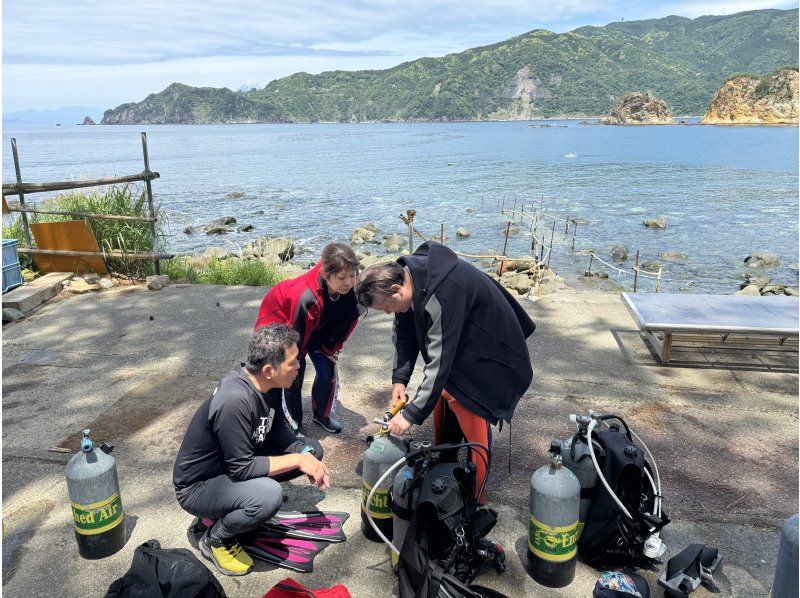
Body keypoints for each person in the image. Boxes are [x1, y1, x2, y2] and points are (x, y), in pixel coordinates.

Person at [355, 241, 534, 504]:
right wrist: (399, 380)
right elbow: (405, 334)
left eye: (386, 307)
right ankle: (447, 465)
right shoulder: (406, 279)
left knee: (468, 402)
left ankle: (476, 501)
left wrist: (411, 416)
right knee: (442, 392)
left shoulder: (440, 292)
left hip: (494, 348)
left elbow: (438, 362)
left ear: (396, 289)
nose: (388, 312)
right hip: (465, 336)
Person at [173, 324, 330, 576]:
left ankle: (237, 507)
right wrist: (297, 460)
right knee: (268, 495)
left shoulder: (269, 384)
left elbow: (276, 426)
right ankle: (216, 537)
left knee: (312, 450)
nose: (299, 366)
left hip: (231, 467)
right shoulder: (234, 399)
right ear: (269, 370)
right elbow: (242, 467)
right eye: (293, 363)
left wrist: (303, 454)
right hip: (199, 487)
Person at [255, 242, 363, 434]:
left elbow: (349, 321)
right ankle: (293, 424)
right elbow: (296, 336)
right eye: (341, 278)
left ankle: (322, 415)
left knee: (327, 369)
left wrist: (332, 348)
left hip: (317, 324)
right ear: (325, 275)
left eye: (353, 276)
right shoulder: (305, 296)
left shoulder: (352, 291)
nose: (348, 282)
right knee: (293, 375)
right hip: (282, 324)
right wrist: (293, 362)